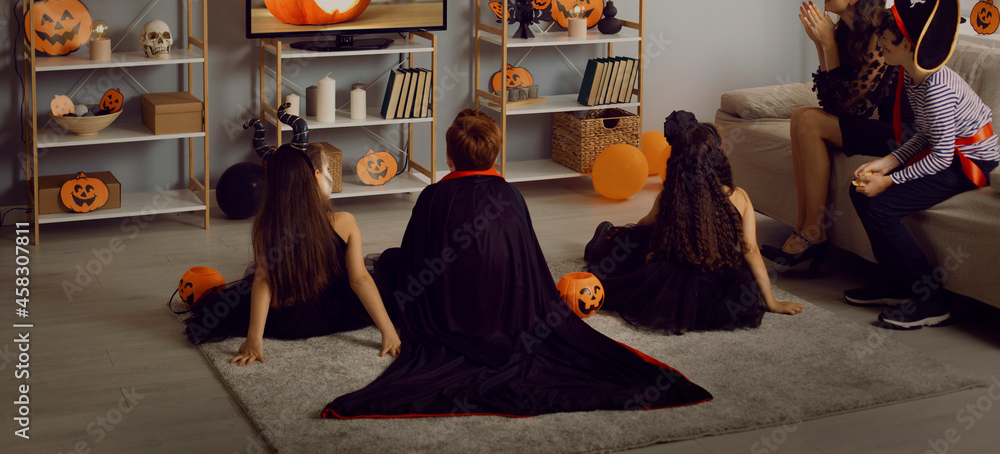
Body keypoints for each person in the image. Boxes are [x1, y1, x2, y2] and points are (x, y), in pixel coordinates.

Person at [323, 109, 711, 418]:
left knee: (391, 268)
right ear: (494, 153)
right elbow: (527, 263)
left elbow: (416, 259)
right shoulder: (511, 196)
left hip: (447, 303)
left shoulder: (432, 197)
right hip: (504, 299)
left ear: (449, 155)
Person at [184, 110, 401, 364]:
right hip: (330, 313)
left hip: (286, 320)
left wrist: (255, 338)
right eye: (328, 169)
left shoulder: (268, 226)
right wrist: (388, 332)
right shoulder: (344, 222)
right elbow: (360, 281)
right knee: (395, 266)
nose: (331, 175)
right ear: (316, 178)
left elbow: (262, 282)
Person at [848, 0, 998, 329]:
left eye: (886, 38)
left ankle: (931, 300)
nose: (880, 42)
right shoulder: (913, 77)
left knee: (881, 208)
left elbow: (943, 157)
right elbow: (926, 138)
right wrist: (885, 163)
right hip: (948, 154)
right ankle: (897, 284)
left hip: (972, 164)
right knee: (858, 194)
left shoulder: (937, 88)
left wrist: (890, 181)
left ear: (908, 45)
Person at [586, 122, 802, 335]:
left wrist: (629, 233)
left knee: (640, 239)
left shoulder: (669, 195)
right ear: (717, 159)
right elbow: (750, 250)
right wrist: (771, 302)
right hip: (718, 270)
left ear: (677, 162)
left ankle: (606, 237)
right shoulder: (739, 197)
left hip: (672, 267)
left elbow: (645, 223)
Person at [762, 0, 897, 273]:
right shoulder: (848, 30)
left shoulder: (881, 32)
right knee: (800, 116)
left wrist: (827, 45)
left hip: (898, 134)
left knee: (809, 122)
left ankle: (813, 235)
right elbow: (833, 101)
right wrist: (824, 45)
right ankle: (803, 230)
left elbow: (852, 108)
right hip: (870, 124)